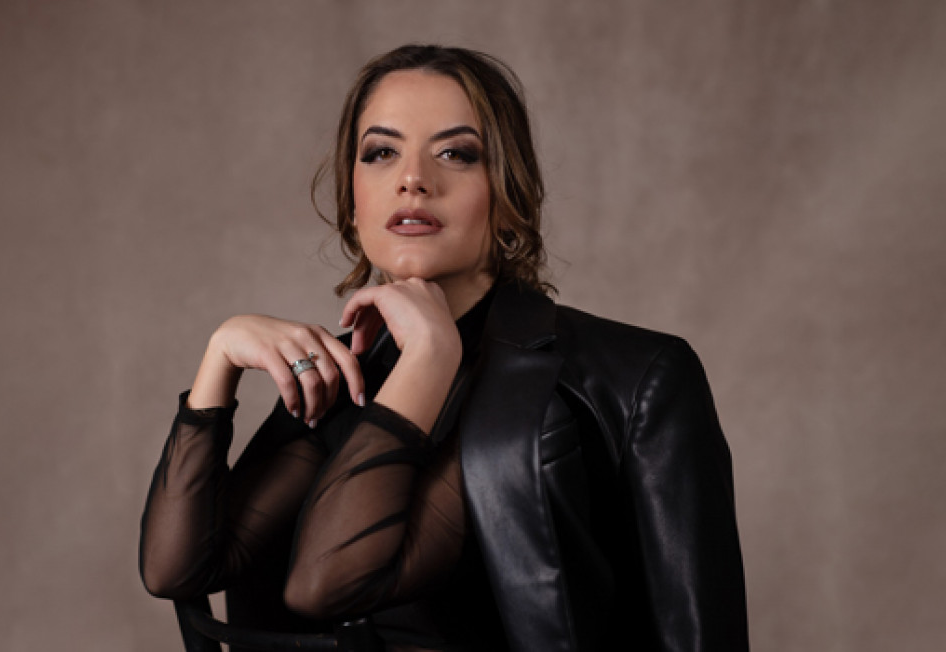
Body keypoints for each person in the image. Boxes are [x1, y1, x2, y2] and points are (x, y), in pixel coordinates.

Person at [139, 44, 749, 651]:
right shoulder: (344, 372)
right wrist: (218, 362)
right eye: (381, 153)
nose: (413, 180)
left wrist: (432, 357)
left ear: (508, 195)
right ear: (352, 202)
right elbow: (177, 571)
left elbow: (324, 584)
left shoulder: (642, 376)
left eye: (456, 154)